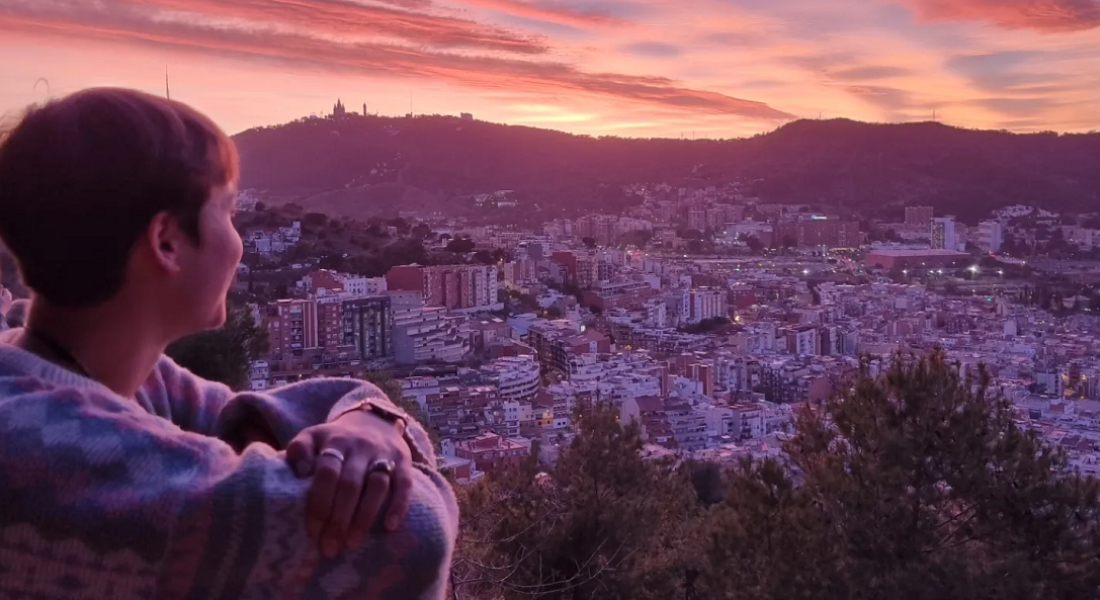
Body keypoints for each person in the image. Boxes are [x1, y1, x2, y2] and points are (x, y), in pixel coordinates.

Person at [0, 88, 457, 599]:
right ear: (167, 242)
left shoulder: (78, 364)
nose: (238, 242)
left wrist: (373, 423)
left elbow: (244, 416)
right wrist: (391, 443)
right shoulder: (65, 463)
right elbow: (415, 534)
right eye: (230, 212)